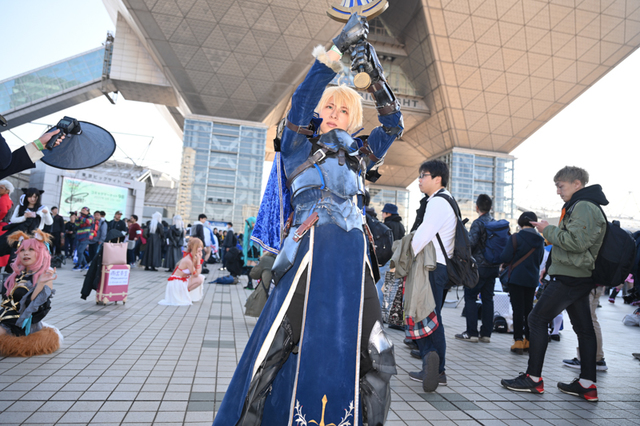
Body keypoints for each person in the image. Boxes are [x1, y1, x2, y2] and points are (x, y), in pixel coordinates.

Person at [213, 15, 403, 425]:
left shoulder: (361, 156)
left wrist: (374, 74)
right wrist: (337, 48)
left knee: (374, 349)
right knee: (277, 345)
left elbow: (394, 124)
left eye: (344, 109)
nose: (334, 113)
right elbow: (301, 100)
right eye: (329, 106)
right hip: (307, 256)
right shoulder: (297, 146)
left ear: (353, 118)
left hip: (354, 262)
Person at [502, 166, 607, 402]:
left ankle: (533, 379)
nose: (558, 191)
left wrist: (547, 230)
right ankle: (587, 385)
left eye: (561, 186)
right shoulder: (582, 205)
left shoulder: (584, 206)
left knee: (536, 319)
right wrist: (551, 263)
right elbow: (576, 242)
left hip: (571, 276)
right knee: (584, 329)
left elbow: (576, 242)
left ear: (577, 184)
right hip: (578, 274)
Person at [408, 160, 456, 392]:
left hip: (431, 266)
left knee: (429, 316)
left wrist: (405, 259)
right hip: (438, 267)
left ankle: (437, 369)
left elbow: (423, 235)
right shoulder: (446, 200)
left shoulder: (437, 201)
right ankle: (433, 367)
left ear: (437, 179)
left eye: (423, 175)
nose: (419, 180)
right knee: (430, 316)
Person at [0, 229, 62, 357]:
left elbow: (33, 307)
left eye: (31, 249)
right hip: (4, 318)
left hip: (21, 324)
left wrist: (40, 284)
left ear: (40, 252)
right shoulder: (17, 275)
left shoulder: (44, 276)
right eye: (22, 250)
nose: (26, 253)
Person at [498, 212, 545, 354]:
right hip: (532, 279)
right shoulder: (540, 240)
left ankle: (518, 341)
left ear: (519, 223)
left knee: (517, 310)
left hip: (516, 278)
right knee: (528, 309)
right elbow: (540, 259)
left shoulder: (515, 238)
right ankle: (529, 340)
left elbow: (505, 257)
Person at [455, 194, 499, 343]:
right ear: (491, 207)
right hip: (493, 267)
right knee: (488, 299)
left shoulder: (478, 223)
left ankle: (471, 333)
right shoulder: (496, 223)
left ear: (477, 207)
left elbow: (471, 244)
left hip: (478, 268)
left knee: (471, 297)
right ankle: (486, 334)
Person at [0, 188, 53, 273]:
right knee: (15, 257)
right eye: (30, 196)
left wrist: (46, 214)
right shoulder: (20, 207)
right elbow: (13, 220)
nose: (33, 199)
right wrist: (24, 217)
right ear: (26, 197)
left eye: (35, 197)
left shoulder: (42, 208)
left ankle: (28, 277)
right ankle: (11, 276)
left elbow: (49, 222)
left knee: (32, 258)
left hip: (34, 238)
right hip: (20, 237)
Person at [158, 237, 204, 306]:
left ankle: (184, 294)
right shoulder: (188, 260)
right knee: (199, 279)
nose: (200, 249)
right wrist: (198, 261)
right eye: (198, 247)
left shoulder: (192, 257)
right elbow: (196, 274)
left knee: (201, 278)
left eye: (201, 247)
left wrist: (199, 260)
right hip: (176, 283)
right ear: (193, 247)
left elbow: (198, 272)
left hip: (181, 282)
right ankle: (184, 294)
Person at [72, 207, 94, 271]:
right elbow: (77, 225)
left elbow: (88, 222)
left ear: (88, 212)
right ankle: (85, 265)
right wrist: (76, 219)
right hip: (79, 236)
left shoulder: (90, 217)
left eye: (84, 210)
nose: (82, 211)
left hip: (86, 236)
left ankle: (78, 265)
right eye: (82, 210)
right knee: (79, 251)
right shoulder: (81, 217)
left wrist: (80, 217)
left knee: (80, 251)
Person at [0, 180, 15, 270]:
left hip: (1, 226)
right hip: (5, 226)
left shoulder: (3, 198)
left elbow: (4, 211)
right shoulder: (9, 199)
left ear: (7, 190)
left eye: (1, 188)